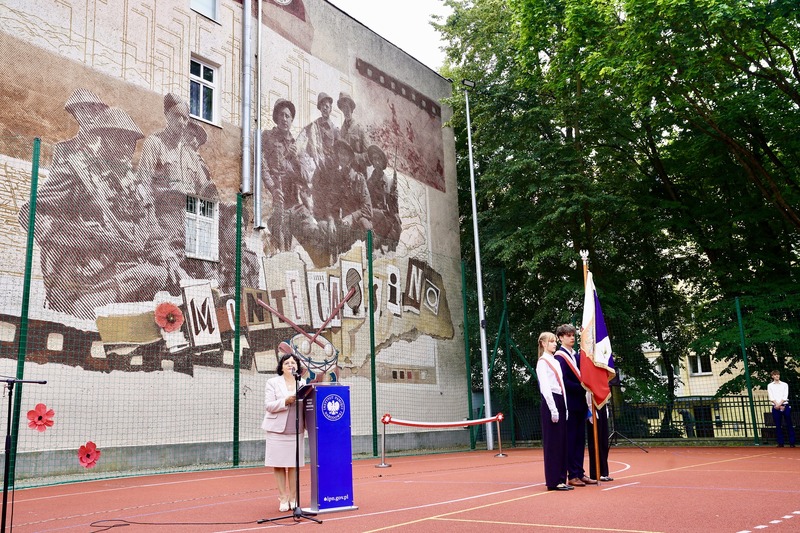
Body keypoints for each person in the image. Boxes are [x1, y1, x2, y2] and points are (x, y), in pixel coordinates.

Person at [26, 107, 169, 319]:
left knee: (161, 277)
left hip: (127, 274)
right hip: (85, 278)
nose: (125, 147)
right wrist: (85, 239)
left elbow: (153, 235)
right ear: (103, 138)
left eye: (130, 142)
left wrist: (165, 254)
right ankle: (82, 311)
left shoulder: (137, 187)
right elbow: (30, 214)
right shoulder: (77, 171)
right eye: (118, 139)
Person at [262, 351, 307, 511]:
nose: (290, 365)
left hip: (296, 429)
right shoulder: (273, 382)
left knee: (294, 465)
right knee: (279, 465)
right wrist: (285, 401)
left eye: (293, 363)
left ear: (298, 366)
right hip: (276, 430)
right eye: (287, 363)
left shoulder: (302, 383)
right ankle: (283, 498)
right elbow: (268, 405)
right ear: (281, 367)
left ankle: (294, 498)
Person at [555, 324, 597, 486]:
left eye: (573, 335)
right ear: (560, 338)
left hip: (581, 403)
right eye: (567, 335)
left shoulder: (578, 356)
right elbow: (563, 381)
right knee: (571, 440)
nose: (571, 337)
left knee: (580, 440)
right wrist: (581, 387)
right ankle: (572, 474)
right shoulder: (559, 357)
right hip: (569, 405)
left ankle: (580, 472)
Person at [536, 331, 572, 491]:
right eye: (551, 342)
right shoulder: (542, 362)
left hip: (560, 400)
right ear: (543, 344)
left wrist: (565, 407)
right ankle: (553, 480)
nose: (554, 344)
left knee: (562, 442)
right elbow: (545, 387)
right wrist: (553, 409)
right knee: (552, 443)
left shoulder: (555, 361)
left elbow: (562, 386)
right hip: (551, 402)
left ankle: (561, 478)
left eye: (554, 341)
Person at [337, 92, 369, 175]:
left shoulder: (359, 129)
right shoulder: (341, 131)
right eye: (343, 108)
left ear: (351, 108)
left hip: (359, 173)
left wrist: (354, 157)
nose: (346, 111)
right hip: (346, 174)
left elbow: (369, 155)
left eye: (347, 107)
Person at [586, 392, 613, 482]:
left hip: (602, 408)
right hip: (594, 409)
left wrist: (606, 410)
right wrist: (590, 411)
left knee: (603, 442)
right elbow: (588, 394)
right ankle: (595, 473)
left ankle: (604, 472)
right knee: (595, 443)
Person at [768, 370, 796, 448]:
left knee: (789, 424)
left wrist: (780, 404)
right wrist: (777, 405)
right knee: (778, 425)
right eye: (775, 375)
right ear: (772, 376)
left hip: (785, 405)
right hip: (775, 406)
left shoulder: (784, 384)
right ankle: (780, 442)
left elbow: (785, 395)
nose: (777, 376)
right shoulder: (770, 385)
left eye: (778, 374)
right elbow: (771, 396)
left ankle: (792, 442)